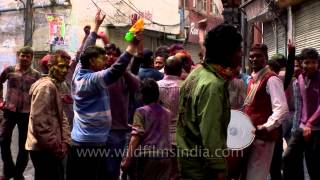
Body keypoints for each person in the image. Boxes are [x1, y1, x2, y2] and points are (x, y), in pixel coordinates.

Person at [66, 10, 143, 180]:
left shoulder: (80, 69)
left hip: (84, 139)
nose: (106, 61)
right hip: (90, 143)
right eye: (102, 59)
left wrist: (96, 27)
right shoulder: (91, 80)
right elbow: (115, 71)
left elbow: (86, 50)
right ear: (92, 62)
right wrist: (132, 46)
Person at [176, 24, 243, 180]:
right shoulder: (213, 85)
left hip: (188, 160)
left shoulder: (197, 73)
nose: (241, 54)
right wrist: (219, 168)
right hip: (202, 168)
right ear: (227, 54)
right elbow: (211, 133)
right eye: (238, 50)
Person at [241, 44, 288, 180]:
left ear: (265, 58)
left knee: (256, 175)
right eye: (251, 56)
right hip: (251, 136)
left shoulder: (271, 79)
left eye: (258, 56)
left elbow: (281, 109)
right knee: (248, 174)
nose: (254, 59)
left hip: (263, 138)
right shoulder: (253, 79)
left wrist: (266, 127)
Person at [25, 50, 71, 180]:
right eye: (61, 66)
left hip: (49, 147)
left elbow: (61, 117)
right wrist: (57, 148)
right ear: (50, 66)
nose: (65, 70)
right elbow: (40, 124)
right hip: (44, 149)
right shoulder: (47, 87)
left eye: (67, 67)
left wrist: (65, 141)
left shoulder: (54, 85)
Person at [0, 46, 41, 180]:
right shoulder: (10, 70)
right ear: (19, 56)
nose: (24, 58)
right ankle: (9, 169)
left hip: (26, 113)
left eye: (27, 56)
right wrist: (0, 99)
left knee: (24, 145)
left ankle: (18, 174)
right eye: (22, 55)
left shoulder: (36, 75)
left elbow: (39, 93)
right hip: (9, 110)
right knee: (3, 140)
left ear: (31, 58)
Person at [121, 78, 172, 180]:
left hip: (148, 157)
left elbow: (135, 137)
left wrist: (127, 160)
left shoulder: (141, 112)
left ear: (142, 95)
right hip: (166, 156)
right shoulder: (167, 113)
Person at [283, 48, 320, 180]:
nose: (310, 65)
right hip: (301, 127)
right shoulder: (298, 79)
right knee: (288, 157)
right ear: (301, 63)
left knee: (313, 165)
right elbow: (299, 106)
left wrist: (310, 124)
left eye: (314, 62)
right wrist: (296, 128)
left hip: (316, 129)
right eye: (307, 62)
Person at [157, 56, 183, 180]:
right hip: (179, 139)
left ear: (165, 69)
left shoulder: (156, 86)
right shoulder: (186, 87)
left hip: (159, 138)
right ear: (180, 71)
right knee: (176, 173)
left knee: (161, 174)